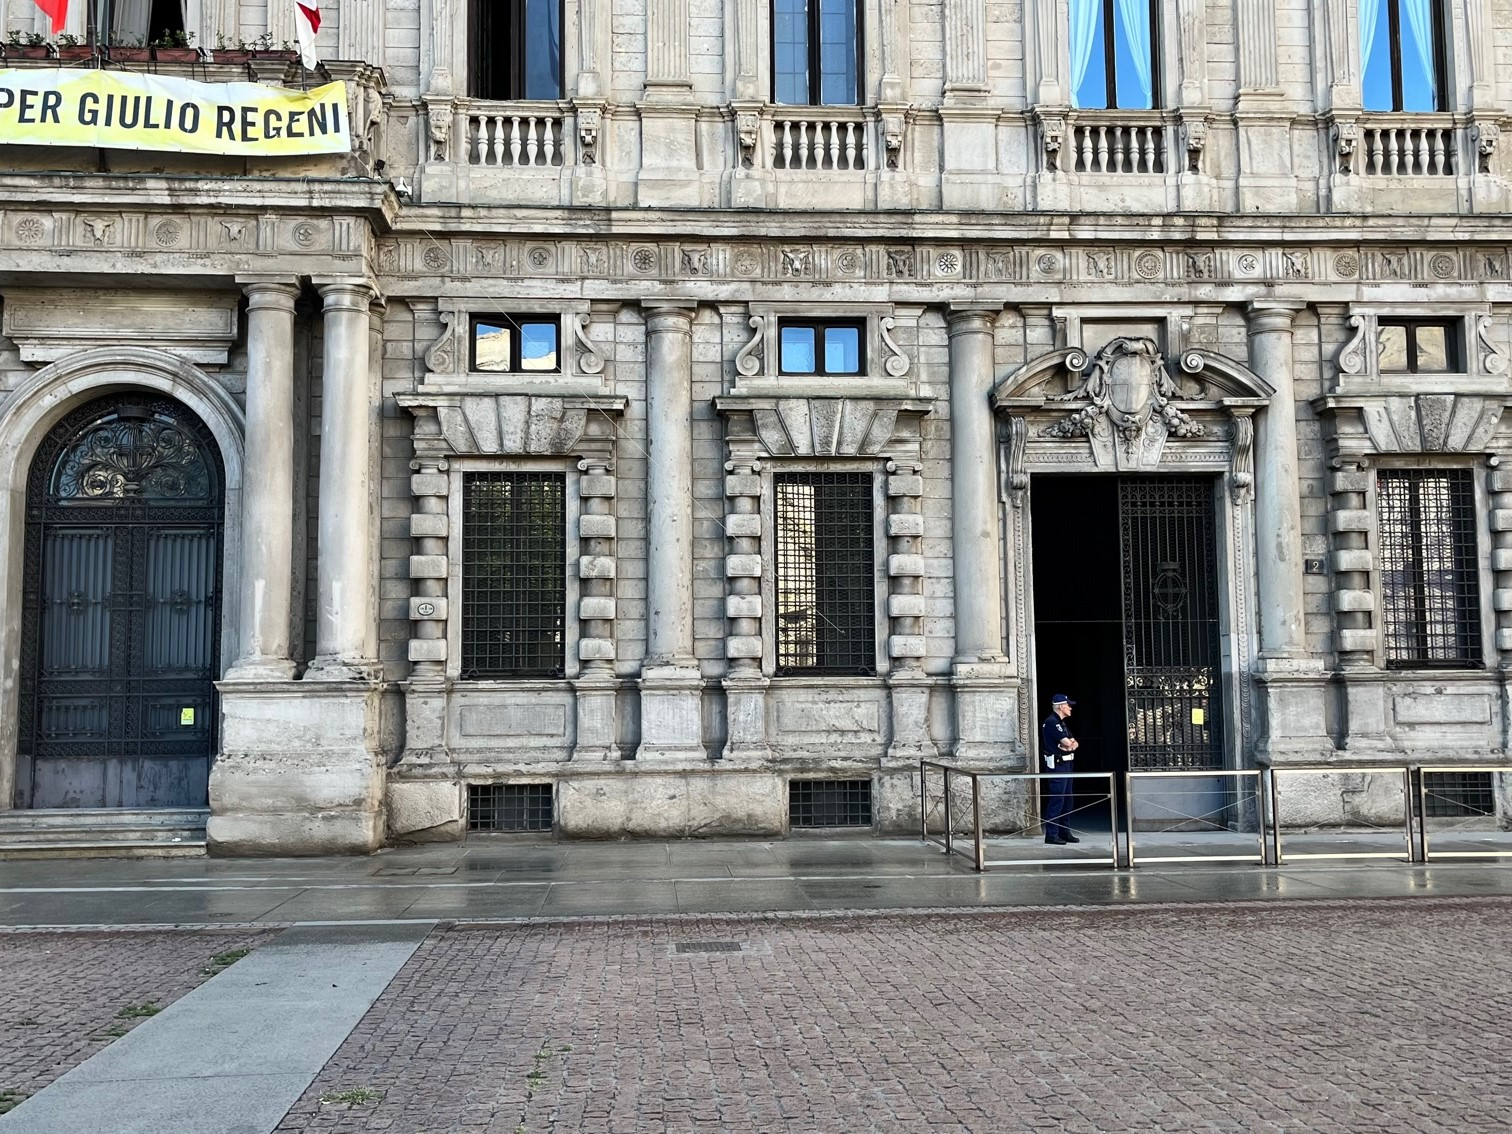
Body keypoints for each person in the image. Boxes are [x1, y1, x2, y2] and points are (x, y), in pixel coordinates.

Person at [1040, 693, 1081, 845]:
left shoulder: (1061, 723)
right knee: (1057, 799)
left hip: (1067, 764)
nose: (1070, 708)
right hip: (1057, 765)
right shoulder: (1051, 722)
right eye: (1068, 705)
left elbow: (1074, 743)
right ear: (1061, 707)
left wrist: (1069, 746)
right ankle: (1052, 834)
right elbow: (1068, 742)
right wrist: (1069, 745)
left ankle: (1064, 831)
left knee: (1068, 800)